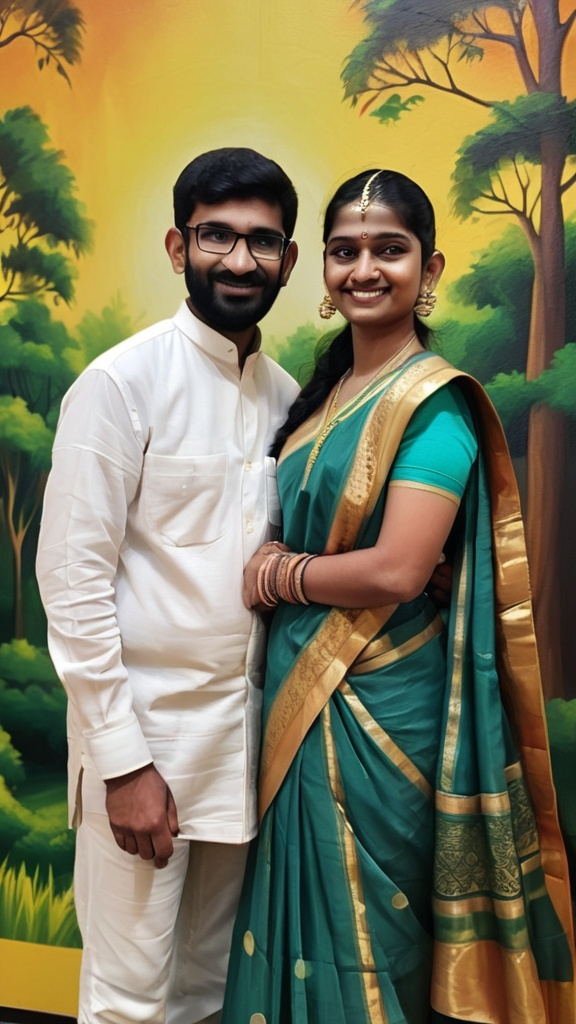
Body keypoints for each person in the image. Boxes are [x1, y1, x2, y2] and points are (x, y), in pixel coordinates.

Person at [221, 169, 576, 1024]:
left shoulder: (436, 404)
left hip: (387, 713)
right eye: (345, 252)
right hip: (303, 701)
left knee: (374, 941)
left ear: (431, 268)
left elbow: (398, 570)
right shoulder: (325, 393)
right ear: (324, 270)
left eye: (390, 250)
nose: (364, 269)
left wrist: (280, 575)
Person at [35, 147, 301, 1024]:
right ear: (176, 246)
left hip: (242, 750)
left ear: (289, 261)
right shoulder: (119, 383)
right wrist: (124, 766)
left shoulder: (289, 398)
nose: (238, 259)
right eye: (216, 235)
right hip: (143, 748)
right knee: (128, 1001)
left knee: (206, 991)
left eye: (262, 242)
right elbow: (71, 585)